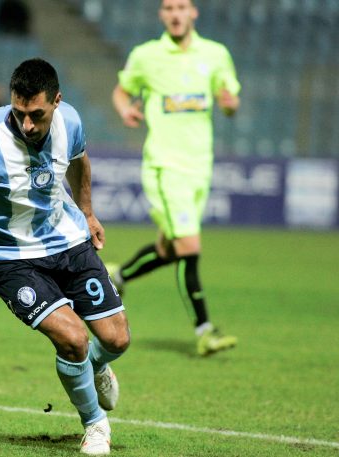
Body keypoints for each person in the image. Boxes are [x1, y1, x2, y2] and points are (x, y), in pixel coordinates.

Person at [0, 58, 129, 456]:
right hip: (6, 255)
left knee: (117, 338)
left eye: (36, 115)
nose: (27, 124)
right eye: (19, 113)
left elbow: (79, 161)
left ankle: (97, 365)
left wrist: (87, 213)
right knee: (73, 338)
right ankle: (95, 425)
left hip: (66, 239)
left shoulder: (71, 122)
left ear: (56, 102)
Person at [110, 0, 240, 356]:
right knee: (189, 246)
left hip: (200, 166)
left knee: (170, 248)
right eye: (169, 7)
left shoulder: (215, 54)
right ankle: (205, 330)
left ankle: (118, 277)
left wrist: (229, 104)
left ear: (193, 11)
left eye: (182, 6)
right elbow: (121, 91)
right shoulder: (146, 56)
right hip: (165, 166)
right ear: (161, 14)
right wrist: (125, 110)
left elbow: (230, 102)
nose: (175, 13)